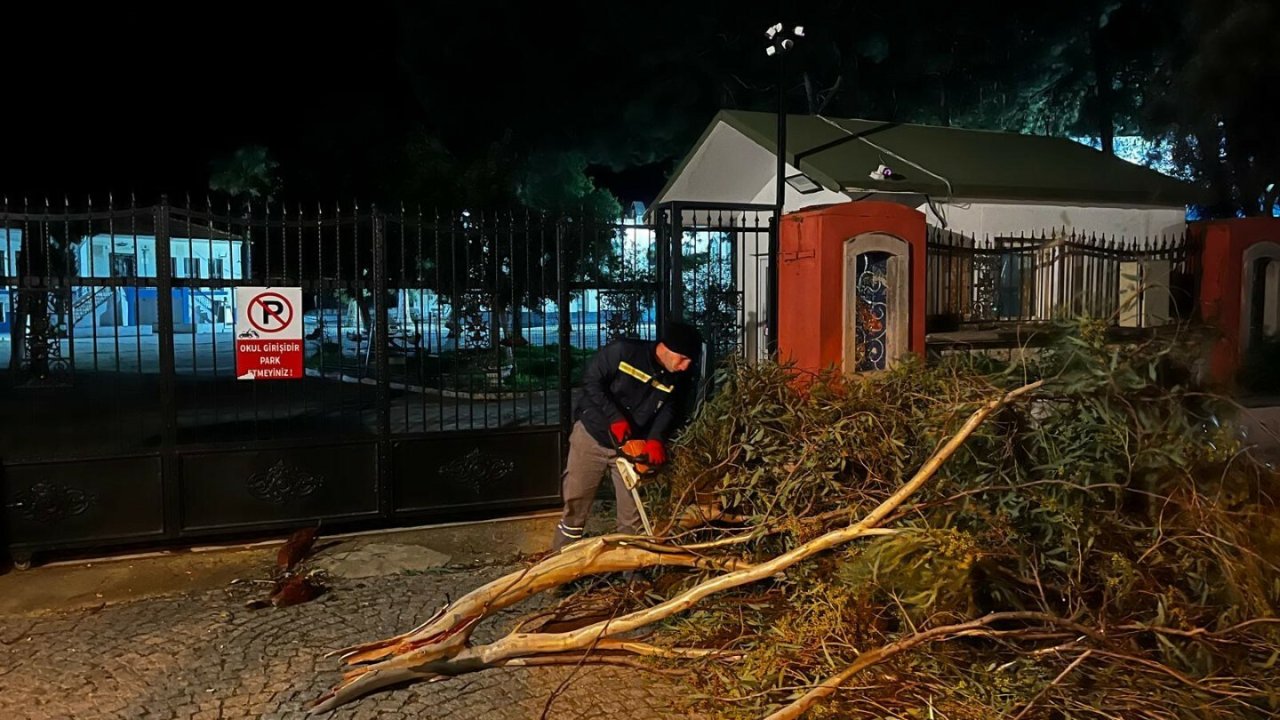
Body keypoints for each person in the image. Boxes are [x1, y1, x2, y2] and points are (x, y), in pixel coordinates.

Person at [551, 321, 704, 551]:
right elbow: (591, 383)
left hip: (632, 447)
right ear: (665, 347)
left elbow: (671, 409)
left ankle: (631, 573)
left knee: (633, 513)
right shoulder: (622, 352)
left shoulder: (678, 377)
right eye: (683, 358)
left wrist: (655, 439)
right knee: (575, 505)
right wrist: (615, 418)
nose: (685, 366)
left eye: (690, 361)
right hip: (592, 437)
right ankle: (559, 567)